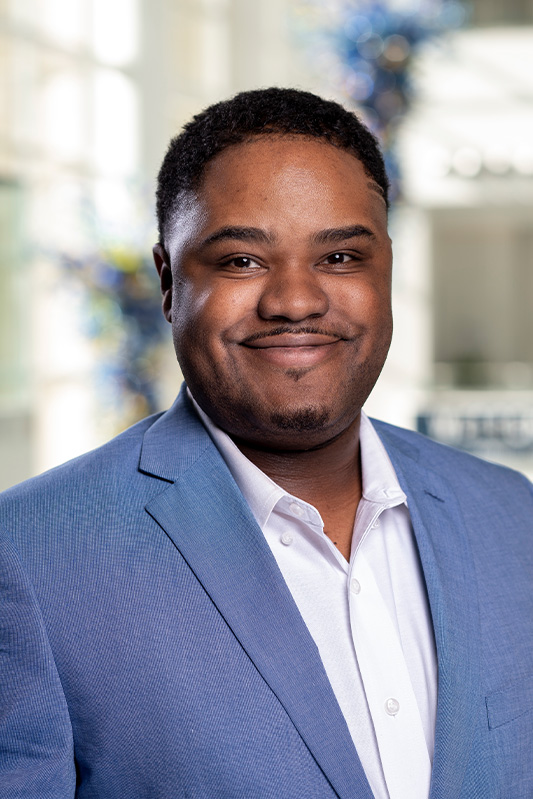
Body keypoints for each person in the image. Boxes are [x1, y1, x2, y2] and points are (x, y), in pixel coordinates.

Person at [0, 88, 531, 799]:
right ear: (167, 280)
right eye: (242, 261)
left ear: (387, 272)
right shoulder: (30, 556)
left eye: (340, 255)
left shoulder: (508, 512)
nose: (294, 301)